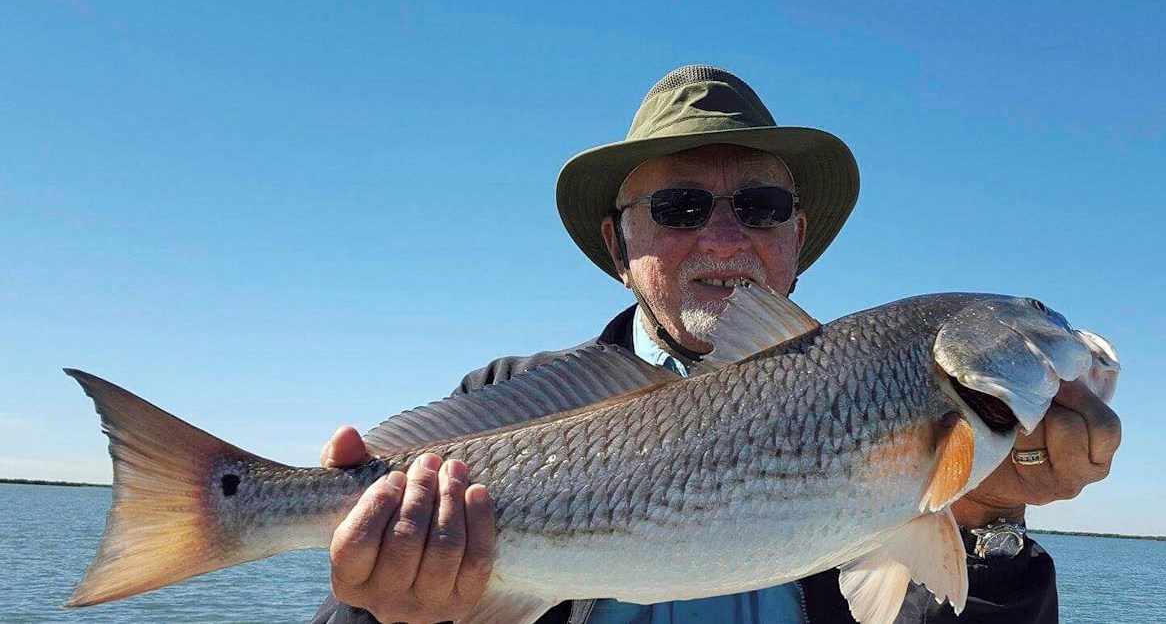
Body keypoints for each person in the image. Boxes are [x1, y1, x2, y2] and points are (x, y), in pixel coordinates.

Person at [310, 65, 1121, 624]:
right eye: (680, 208)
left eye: (762, 206)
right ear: (618, 244)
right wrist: (376, 607)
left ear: (797, 236)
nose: (726, 238)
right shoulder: (500, 400)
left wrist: (992, 523)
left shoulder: (885, 393)